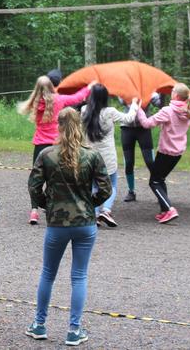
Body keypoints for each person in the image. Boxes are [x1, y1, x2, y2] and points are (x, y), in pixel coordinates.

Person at [26, 108, 111, 347]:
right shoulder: (92, 155)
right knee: (79, 276)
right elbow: (106, 190)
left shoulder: (47, 154)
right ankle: (74, 330)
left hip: (57, 224)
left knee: (48, 274)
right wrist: (89, 204)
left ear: (58, 126)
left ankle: (39, 325)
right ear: (80, 126)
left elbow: (33, 187)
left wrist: (47, 205)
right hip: (85, 223)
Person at [17, 76, 94, 225]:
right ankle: (51, 206)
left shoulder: (34, 102)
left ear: (36, 88)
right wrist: (89, 87)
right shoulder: (59, 100)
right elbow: (77, 97)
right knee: (55, 178)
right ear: (52, 86)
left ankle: (34, 211)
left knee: (36, 179)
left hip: (40, 146)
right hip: (55, 145)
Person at [133, 84, 190, 223]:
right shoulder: (189, 109)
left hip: (166, 151)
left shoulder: (168, 110)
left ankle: (169, 209)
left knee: (154, 181)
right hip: (178, 152)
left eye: (172, 91)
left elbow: (147, 123)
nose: (171, 93)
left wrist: (138, 108)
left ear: (176, 96)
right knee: (160, 179)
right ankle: (163, 210)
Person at [80, 84, 137, 227]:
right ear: (105, 97)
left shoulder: (84, 110)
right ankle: (105, 211)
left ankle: (93, 214)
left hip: (89, 155)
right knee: (111, 185)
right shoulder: (110, 112)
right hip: (107, 157)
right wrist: (135, 104)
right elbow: (128, 118)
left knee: (93, 185)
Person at [118, 92, 160, 202]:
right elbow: (121, 100)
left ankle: (160, 191)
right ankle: (131, 191)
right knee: (128, 162)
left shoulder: (149, 90)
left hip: (143, 129)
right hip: (127, 128)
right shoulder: (125, 89)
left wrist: (156, 94)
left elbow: (159, 103)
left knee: (150, 162)